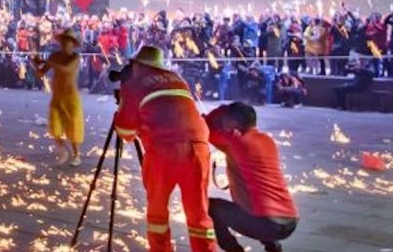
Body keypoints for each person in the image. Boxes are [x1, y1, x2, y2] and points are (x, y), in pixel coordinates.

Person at [114, 45, 215, 252]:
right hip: (199, 148)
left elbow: (125, 131)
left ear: (138, 65)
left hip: (164, 151)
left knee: (157, 213)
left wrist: (121, 111)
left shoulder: (134, 85)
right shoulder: (178, 79)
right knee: (199, 215)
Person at [205, 102, 298, 252]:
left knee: (210, 207)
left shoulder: (236, 142)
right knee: (257, 203)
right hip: (290, 221)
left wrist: (222, 108)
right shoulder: (267, 140)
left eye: (225, 119)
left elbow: (205, 127)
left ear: (235, 123)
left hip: (267, 224)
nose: (222, 122)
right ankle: (273, 248)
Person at [32, 29, 84, 166]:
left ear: (73, 44)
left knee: (73, 127)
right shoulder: (54, 56)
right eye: (63, 41)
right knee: (55, 127)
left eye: (68, 41)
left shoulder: (75, 57)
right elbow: (42, 73)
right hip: (57, 97)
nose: (65, 43)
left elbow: (65, 69)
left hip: (71, 97)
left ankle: (77, 154)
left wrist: (47, 61)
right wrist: (37, 66)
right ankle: (63, 150)